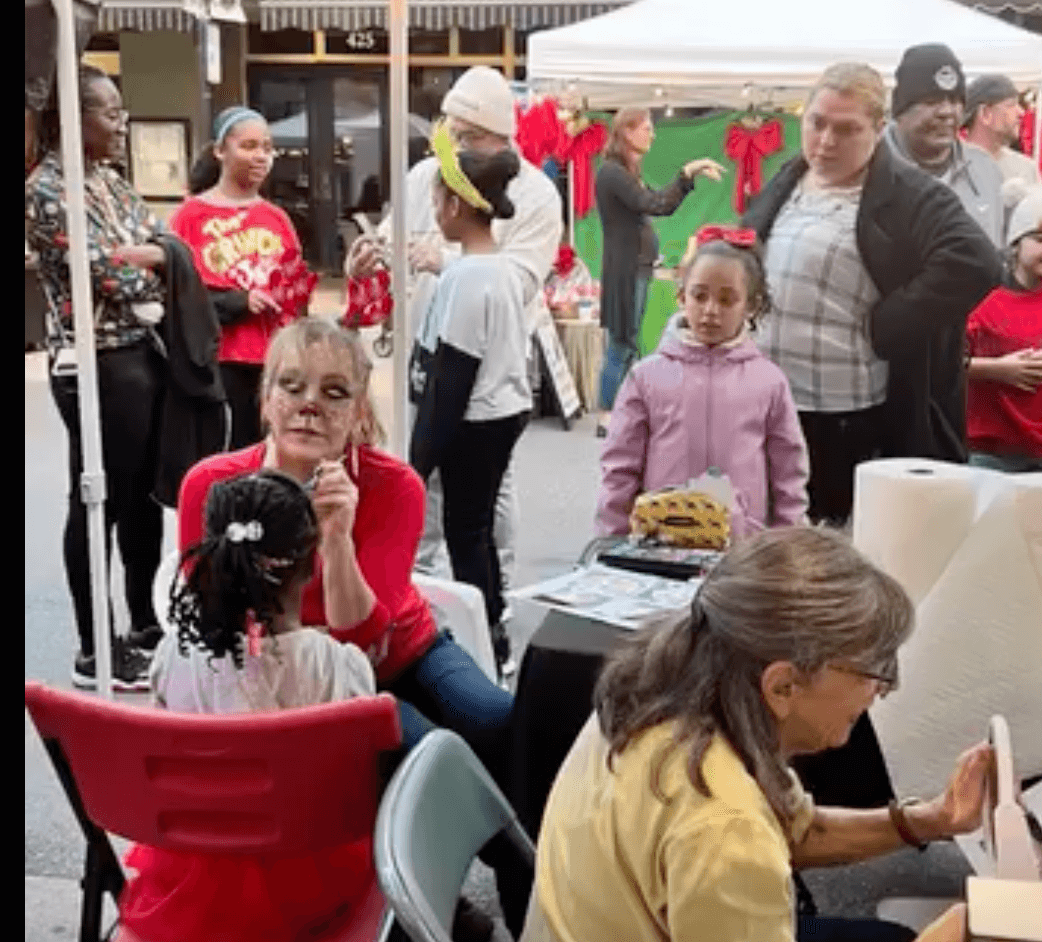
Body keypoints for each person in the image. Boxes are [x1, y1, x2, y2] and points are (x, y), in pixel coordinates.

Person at [521, 527, 992, 942]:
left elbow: (792, 830)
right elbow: (743, 842)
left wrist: (930, 820)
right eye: (874, 669)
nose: (884, 690)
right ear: (783, 685)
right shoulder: (728, 830)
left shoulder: (658, 690)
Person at [176, 316, 513, 780]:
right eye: (291, 387)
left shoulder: (394, 485)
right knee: (423, 758)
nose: (310, 405)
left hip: (403, 652)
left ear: (359, 412)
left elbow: (363, 639)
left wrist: (336, 539)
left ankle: (535, 849)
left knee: (502, 723)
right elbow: (210, 614)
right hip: (286, 663)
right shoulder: (214, 485)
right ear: (267, 401)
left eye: (334, 393)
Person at [116, 469, 378, 942]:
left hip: (193, 872)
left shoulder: (171, 656)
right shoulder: (341, 669)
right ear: (311, 564)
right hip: (310, 883)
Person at [346, 66, 563, 619]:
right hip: (430, 348)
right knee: (428, 480)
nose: (452, 145)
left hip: (488, 373)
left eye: (467, 136)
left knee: (478, 503)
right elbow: (396, 238)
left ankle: (491, 601)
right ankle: (417, 589)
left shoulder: (536, 194)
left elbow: (517, 281)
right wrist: (376, 258)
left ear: (498, 139)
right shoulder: (426, 176)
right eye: (449, 130)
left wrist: (447, 262)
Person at [745, 62, 1001, 525]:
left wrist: (887, 325)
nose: (825, 141)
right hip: (770, 401)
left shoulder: (907, 192)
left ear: (878, 130)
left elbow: (976, 261)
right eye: (816, 123)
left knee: (833, 550)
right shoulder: (790, 177)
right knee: (772, 541)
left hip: (843, 416)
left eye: (846, 130)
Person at [26, 64, 166, 689]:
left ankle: (146, 626)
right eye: (110, 112)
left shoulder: (110, 181)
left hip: (143, 352)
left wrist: (151, 260)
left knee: (142, 500)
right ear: (74, 119)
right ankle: (94, 647)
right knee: (97, 501)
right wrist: (149, 265)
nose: (122, 121)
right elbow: (110, 274)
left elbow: (155, 246)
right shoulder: (47, 190)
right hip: (95, 362)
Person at [595, 225, 808, 540]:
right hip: (660, 545)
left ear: (749, 305)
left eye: (727, 299)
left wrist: (785, 547)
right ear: (682, 296)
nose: (711, 311)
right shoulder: (646, 377)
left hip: (742, 551)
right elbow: (619, 468)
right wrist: (610, 540)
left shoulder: (769, 382)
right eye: (700, 295)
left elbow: (788, 473)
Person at [409, 123, 530, 672]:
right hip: (502, 411)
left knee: (465, 532)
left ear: (455, 205)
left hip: (475, 419)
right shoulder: (494, 269)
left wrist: (420, 458)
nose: (434, 210)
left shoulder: (466, 279)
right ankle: (495, 623)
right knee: (476, 526)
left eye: (437, 199)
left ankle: (484, 636)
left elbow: (450, 376)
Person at [169, 106, 313, 450]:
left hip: (275, 362)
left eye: (267, 147)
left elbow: (297, 295)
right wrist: (238, 301)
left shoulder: (276, 218)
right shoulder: (190, 217)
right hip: (217, 363)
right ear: (220, 151)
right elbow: (175, 294)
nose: (261, 156)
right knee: (225, 459)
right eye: (248, 146)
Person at [595, 108, 724, 435]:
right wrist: (687, 172)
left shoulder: (627, 172)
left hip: (635, 268)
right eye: (647, 128)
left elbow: (659, 202)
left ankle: (619, 409)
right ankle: (605, 414)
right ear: (627, 131)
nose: (652, 134)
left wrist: (687, 176)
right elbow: (652, 204)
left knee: (629, 341)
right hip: (624, 270)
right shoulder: (612, 172)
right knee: (621, 343)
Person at [883, 44, 1005, 247]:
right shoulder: (868, 170)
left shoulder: (986, 170)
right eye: (932, 101)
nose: (947, 111)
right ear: (900, 111)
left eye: (955, 100)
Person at [964, 187, 1042, 472]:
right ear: (1016, 244)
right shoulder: (984, 300)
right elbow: (945, 363)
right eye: (1040, 240)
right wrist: (997, 369)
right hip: (993, 452)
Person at [962, 74, 1040, 222]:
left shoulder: (1025, 168)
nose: (1021, 112)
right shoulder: (951, 168)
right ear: (985, 113)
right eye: (1011, 105)